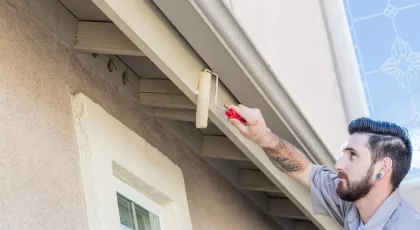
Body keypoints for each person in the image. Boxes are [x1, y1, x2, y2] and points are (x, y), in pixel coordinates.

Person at [225, 104, 420, 229]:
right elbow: (304, 170)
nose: (338, 165)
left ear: (383, 168)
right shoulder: (351, 201)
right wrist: (263, 137)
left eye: (353, 156)